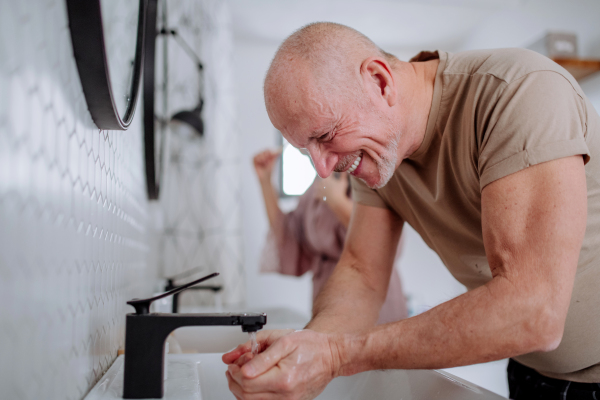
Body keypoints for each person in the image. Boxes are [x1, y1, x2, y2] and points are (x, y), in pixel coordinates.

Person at [224, 22, 600, 400]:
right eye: (307, 150)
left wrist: (339, 354)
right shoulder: (374, 152)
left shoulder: (518, 93)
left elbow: (533, 311)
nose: (323, 170)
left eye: (324, 135)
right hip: (532, 371)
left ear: (379, 81)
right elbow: (361, 272)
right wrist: (305, 351)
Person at [253, 148, 407, 324]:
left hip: (371, 297)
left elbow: (385, 238)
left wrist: (337, 201)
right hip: (327, 295)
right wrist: (265, 181)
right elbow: (289, 235)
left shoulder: (368, 175)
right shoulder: (318, 185)